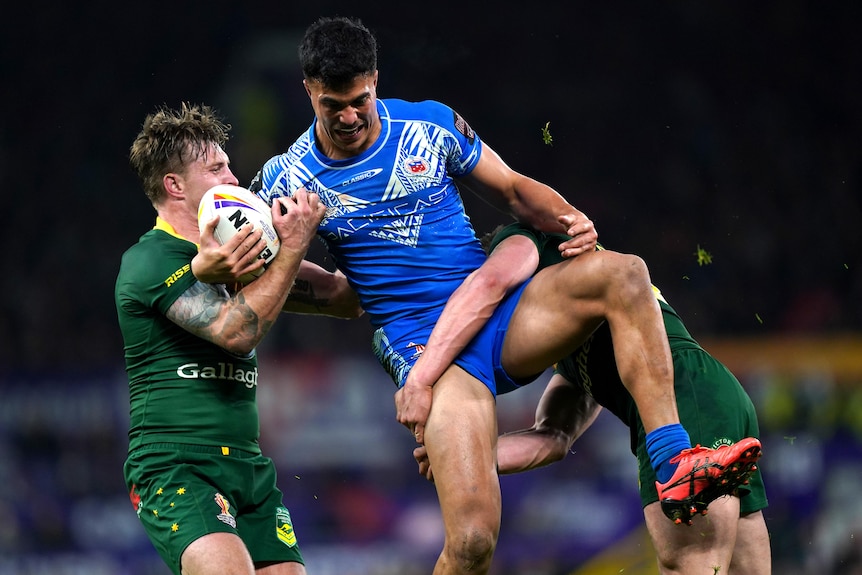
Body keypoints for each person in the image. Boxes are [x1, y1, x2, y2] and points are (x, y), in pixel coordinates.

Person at [249, 16, 760, 574]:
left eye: (359, 100)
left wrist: (570, 218)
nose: (348, 116)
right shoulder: (284, 180)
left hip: (499, 317)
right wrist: (292, 254)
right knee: (472, 542)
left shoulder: (430, 126)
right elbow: (260, 281)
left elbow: (515, 190)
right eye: (332, 105)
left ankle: (671, 459)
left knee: (624, 273)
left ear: (375, 78)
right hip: (426, 350)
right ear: (308, 91)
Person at [414, 222, 771, 574]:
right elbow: (551, 438)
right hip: (714, 394)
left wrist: (425, 371)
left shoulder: (530, 243)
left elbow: (491, 281)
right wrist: (463, 459)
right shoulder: (580, 353)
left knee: (690, 561)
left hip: (684, 398)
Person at [115, 102, 360, 575]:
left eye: (229, 164)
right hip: (176, 462)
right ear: (174, 185)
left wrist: (349, 215)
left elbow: (344, 299)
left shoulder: (250, 252)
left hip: (248, 466)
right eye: (217, 168)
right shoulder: (150, 260)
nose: (234, 176)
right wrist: (291, 248)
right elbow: (237, 331)